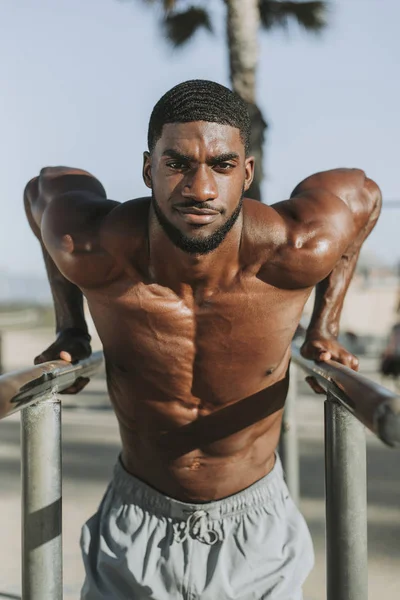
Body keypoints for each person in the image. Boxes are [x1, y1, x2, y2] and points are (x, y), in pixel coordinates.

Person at [24, 80, 382, 600]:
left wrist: (324, 328)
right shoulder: (94, 246)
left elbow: (364, 195)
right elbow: (40, 190)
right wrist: (70, 328)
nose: (201, 189)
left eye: (221, 165)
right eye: (177, 164)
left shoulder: (297, 247)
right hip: (135, 521)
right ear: (149, 169)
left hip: (255, 529)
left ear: (248, 173)